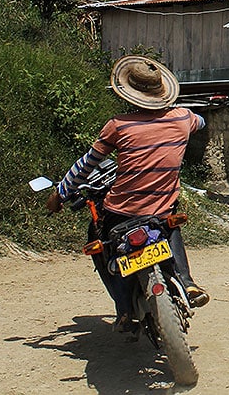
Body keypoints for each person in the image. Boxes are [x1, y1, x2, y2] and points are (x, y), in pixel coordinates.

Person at [46, 55, 210, 329]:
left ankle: (123, 310)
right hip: (161, 209)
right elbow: (201, 122)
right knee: (170, 227)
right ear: (162, 92)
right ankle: (187, 281)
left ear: (130, 94)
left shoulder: (118, 125)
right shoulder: (183, 119)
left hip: (121, 212)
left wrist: (59, 195)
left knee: (101, 240)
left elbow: (87, 165)